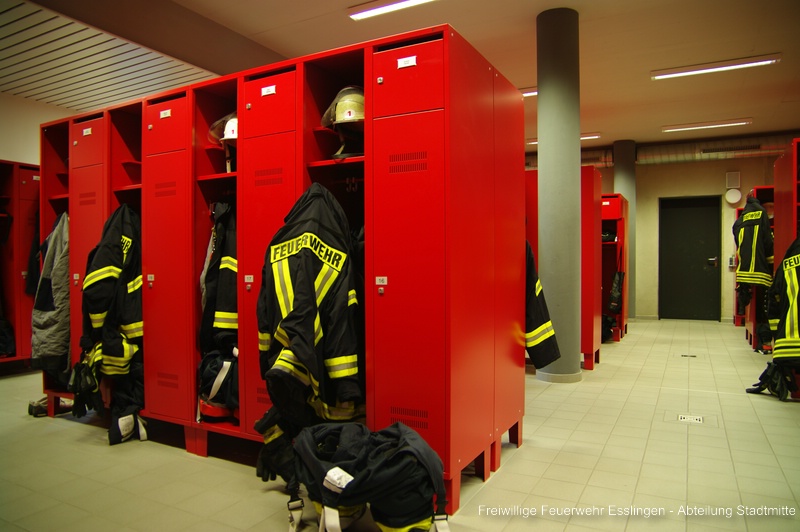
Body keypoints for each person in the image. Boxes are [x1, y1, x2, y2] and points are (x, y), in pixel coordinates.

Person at [732, 189, 774, 354]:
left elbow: (739, 244)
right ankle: (764, 341)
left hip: (743, 271)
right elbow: (767, 241)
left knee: (753, 303)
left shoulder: (739, 221)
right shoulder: (761, 215)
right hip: (761, 269)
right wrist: (771, 264)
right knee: (765, 306)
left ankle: (743, 310)